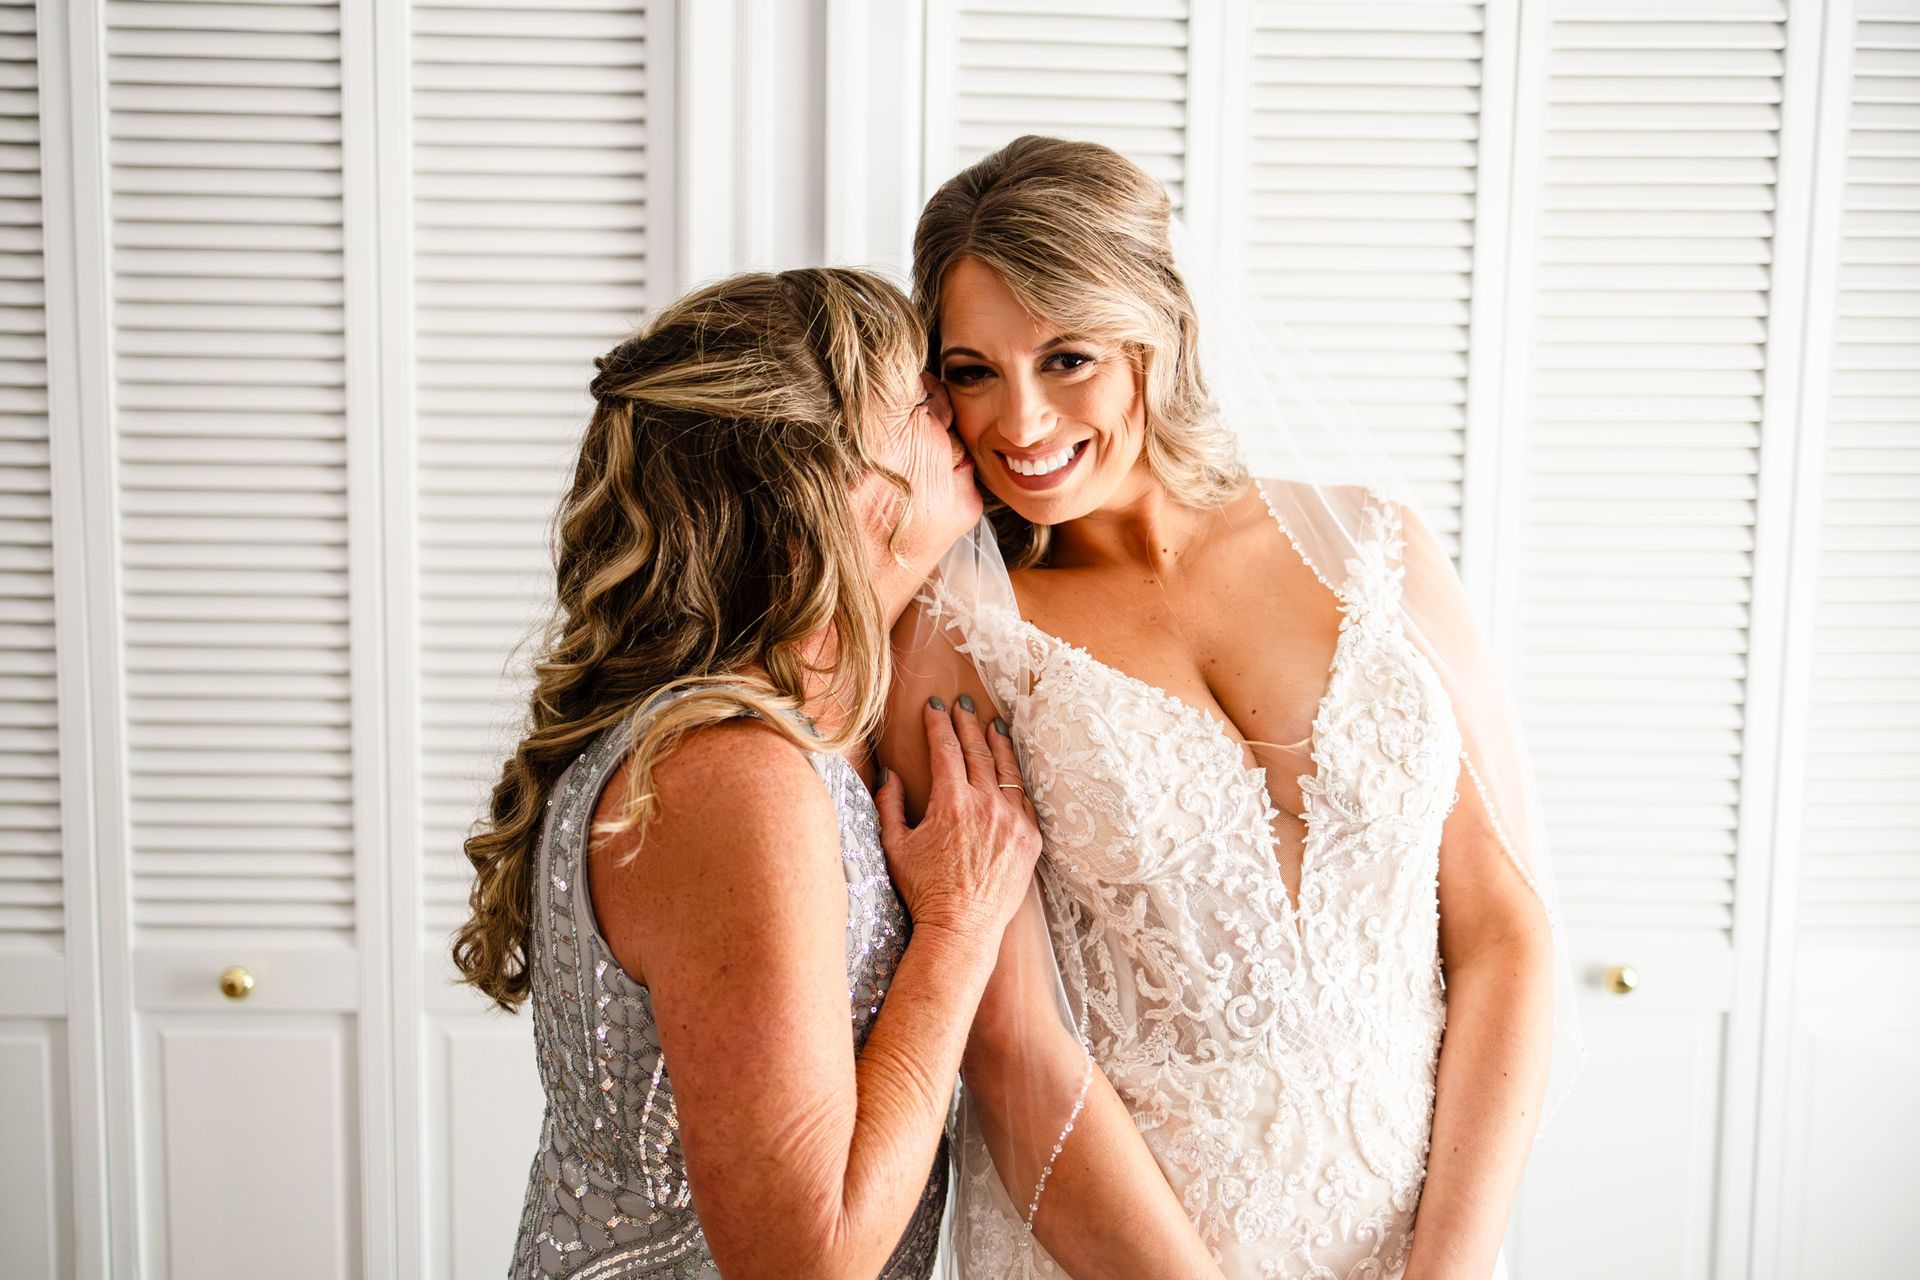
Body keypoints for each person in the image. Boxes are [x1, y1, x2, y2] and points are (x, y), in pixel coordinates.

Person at [883, 136, 1580, 1279]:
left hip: (1420, 1239)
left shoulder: (1372, 546)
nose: (1018, 421)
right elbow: (1010, 1044)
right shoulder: (956, 635)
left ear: (1161, 336)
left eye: (1066, 358)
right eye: (971, 370)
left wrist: (1447, 1268)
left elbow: (1502, 927)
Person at [452, 267, 1041, 1279]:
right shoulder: (731, 775)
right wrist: (958, 925)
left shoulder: (821, 727)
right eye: (915, 396)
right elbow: (804, 1262)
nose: (957, 408)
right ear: (814, 483)